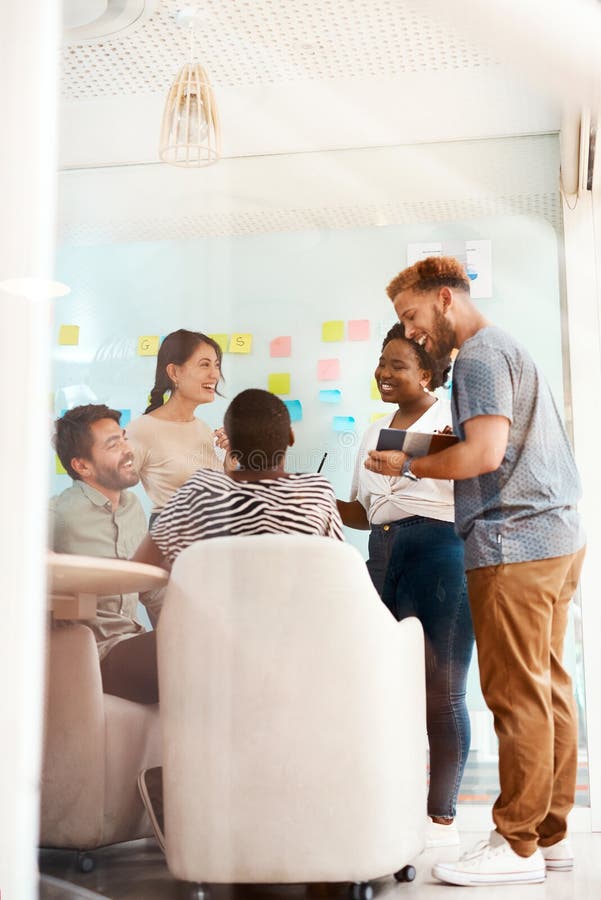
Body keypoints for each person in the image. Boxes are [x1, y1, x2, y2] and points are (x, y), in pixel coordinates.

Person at [366, 256, 586, 887]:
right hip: (553, 536)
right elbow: (495, 441)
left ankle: (515, 844)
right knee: (546, 685)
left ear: (443, 299)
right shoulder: (507, 348)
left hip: (512, 540)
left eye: (410, 317)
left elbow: (484, 455)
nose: (410, 333)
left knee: (516, 694)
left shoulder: (480, 357)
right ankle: (550, 833)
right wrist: (407, 447)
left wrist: (409, 469)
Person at [133, 388, 344, 850]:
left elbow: (143, 566)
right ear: (289, 436)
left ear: (225, 440)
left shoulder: (199, 493)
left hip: (211, 667)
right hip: (296, 668)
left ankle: (186, 794)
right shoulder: (316, 493)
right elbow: (335, 575)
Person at [337, 323, 474, 849]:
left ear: (426, 373)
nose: (384, 372)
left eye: (397, 365)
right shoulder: (372, 430)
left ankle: (441, 817)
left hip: (440, 551)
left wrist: (410, 463)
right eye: (381, 362)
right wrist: (312, 497)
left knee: (440, 691)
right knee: (382, 688)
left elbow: (468, 474)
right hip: (381, 554)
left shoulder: (453, 419)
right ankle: (387, 806)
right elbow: (364, 512)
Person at [50, 404, 163, 704]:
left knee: (212, 642)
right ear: (82, 466)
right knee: (188, 650)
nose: (128, 450)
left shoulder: (132, 508)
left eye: (124, 438)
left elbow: (151, 592)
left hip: (132, 643)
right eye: (113, 445)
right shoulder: (58, 514)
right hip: (94, 656)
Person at [126, 329, 228, 526]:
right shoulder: (141, 430)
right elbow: (112, 490)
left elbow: (216, 495)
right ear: (174, 372)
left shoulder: (203, 429)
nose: (215, 374)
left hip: (210, 538)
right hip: (172, 539)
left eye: (216, 365)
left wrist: (229, 461)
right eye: (204, 364)